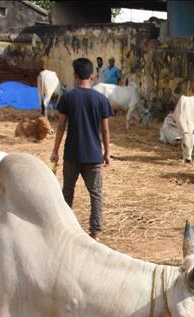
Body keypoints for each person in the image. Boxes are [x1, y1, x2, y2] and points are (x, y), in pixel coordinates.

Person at [50, 57, 113, 241]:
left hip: (71, 154)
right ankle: (95, 233)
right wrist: (107, 152)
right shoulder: (101, 99)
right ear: (92, 76)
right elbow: (105, 129)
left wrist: (55, 151)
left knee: (67, 192)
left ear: (75, 76)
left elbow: (61, 127)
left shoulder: (67, 97)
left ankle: (65, 229)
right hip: (93, 155)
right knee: (96, 195)